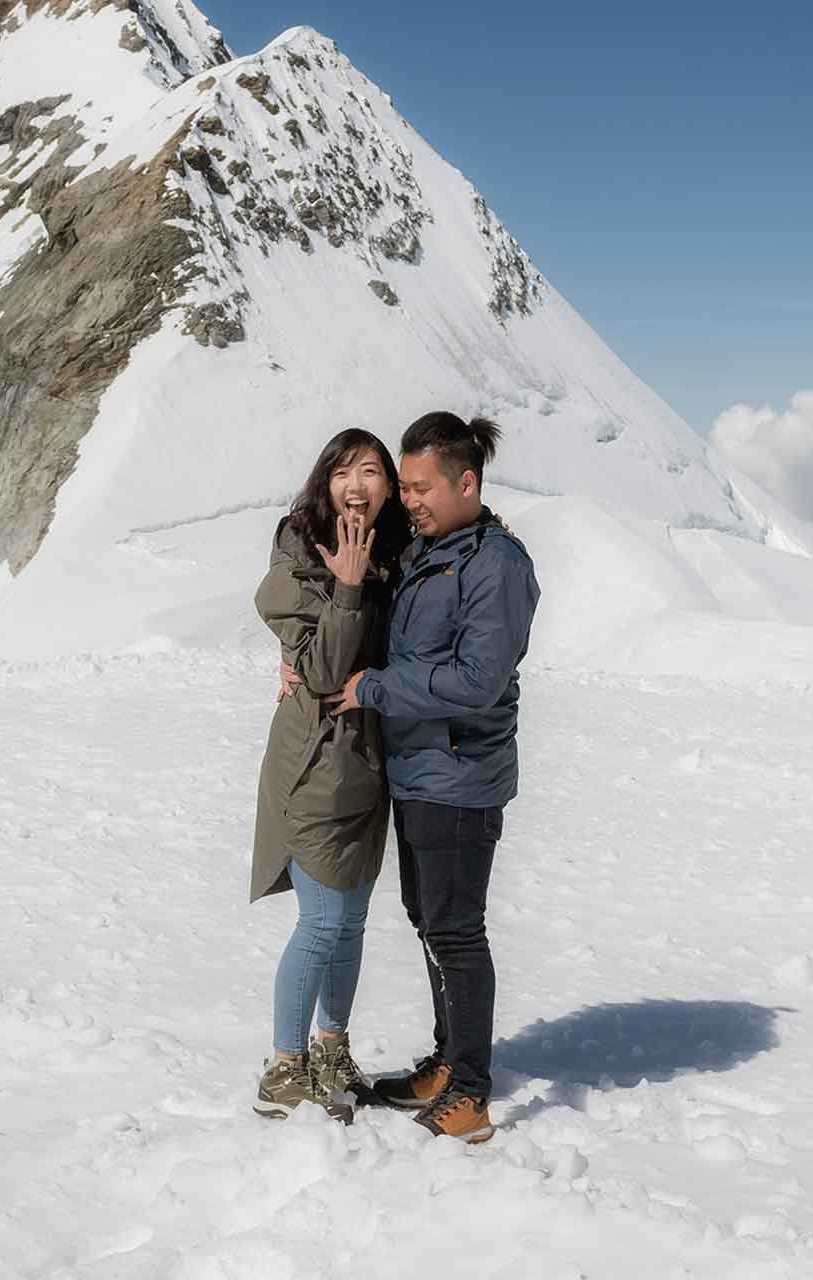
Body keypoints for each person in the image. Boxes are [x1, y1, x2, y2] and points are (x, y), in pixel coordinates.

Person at [322, 412, 540, 1144]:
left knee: (456, 931)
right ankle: (449, 1061)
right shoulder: (428, 550)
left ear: (466, 482)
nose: (407, 500)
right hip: (418, 771)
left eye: (420, 487)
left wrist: (376, 689)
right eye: (405, 486)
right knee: (429, 922)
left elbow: (478, 680)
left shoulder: (495, 565)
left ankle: (472, 1090)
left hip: (460, 774)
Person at [250, 428, 410, 1121]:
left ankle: (331, 1050)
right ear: (325, 482)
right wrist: (345, 590)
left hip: (369, 767)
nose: (357, 482)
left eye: (371, 470)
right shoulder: (301, 558)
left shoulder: (394, 555)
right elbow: (317, 675)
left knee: (352, 924)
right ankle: (284, 1068)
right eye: (344, 470)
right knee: (321, 923)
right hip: (316, 761)